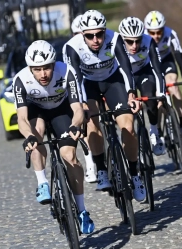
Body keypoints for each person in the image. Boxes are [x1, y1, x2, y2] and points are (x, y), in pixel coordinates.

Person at [63, 10, 146, 202]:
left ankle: (135, 175)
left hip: (112, 81)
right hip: (87, 84)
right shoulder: (72, 47)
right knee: (92, 123)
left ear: (104, 31)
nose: (96, 39)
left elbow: (126, 68)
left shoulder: (114, 38)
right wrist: (81, 105)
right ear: (82, 34)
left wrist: (131, 93)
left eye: (99, 34)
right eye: (90, 36)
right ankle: (101, 169)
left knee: (128, 127)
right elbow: (74, 79)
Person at [13, 40, 94, 234]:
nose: (43, 74)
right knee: (36, 134)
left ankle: (82, 210)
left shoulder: (66, 72)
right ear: (30, 68)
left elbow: (77, 108)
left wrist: (75, 125)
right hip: (36, 112)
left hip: (61, 110)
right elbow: (22, 117)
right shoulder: (21, 79)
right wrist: (28, 136)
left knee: (69, 156)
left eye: (47, 68)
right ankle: (42, 183)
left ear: (54, 64)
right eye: (37, 69)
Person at [144, 11, 182, 142]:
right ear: (147, 30)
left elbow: (180, 59)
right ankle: (159, 130)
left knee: (173, 85)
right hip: (150, 63)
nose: (156, 36)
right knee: (157, 95)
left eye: (159, 32)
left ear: (163, 29)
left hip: (166, 60)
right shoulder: (143, 36)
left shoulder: (171, 34)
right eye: (152, 32)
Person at [118, 16, 166, 156]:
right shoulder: (115, 43)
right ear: (122, 38)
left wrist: (161, 93)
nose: (134, 46)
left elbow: (157, 69)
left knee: (150, 97)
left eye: (137, 41)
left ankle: (154, 131)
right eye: (129, 41)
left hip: (143, 72)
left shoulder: (148, 41)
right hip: (123, 76)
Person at [71, 14, 97, 183]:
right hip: (83, 87)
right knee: (87, 120)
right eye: (78, 34)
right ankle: (90, 164)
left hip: (99, 82)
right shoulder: (72, 49)